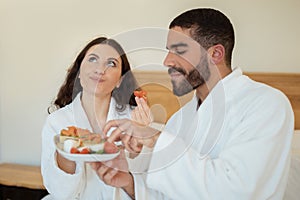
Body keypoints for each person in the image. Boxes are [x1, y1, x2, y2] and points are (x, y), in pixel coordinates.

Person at [95, 8, 295, 199]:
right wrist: (130, 184)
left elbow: (236, 192)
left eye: (179, 51)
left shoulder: (266, 105)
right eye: (168, 51)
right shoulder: (180, 119)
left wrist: (156, 139)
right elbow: (173, 194)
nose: (167, 61)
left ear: (215, 54)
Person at [41, 36, 150, 199]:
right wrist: (66, 151)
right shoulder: (57, 122)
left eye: (111, 63)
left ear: (120, 80)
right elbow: (60, 193)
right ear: (78, 72)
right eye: (93, 59)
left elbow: (148, 187)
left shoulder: (135, 120)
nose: (100, 69)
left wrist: (143, 139)